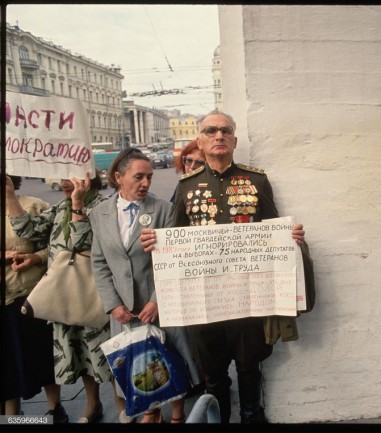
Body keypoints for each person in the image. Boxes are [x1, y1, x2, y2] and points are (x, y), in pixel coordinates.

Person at [141, 109, 309, 424]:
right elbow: (175, 236)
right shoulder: (187, 186)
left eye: (225, 130)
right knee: (213, 371)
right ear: (200, 142)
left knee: (250, 365)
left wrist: (291, 238)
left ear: (233, 139)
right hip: (205, 300)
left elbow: (272, 227)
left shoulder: (256, 179)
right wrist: (156, 244)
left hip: (249, 297)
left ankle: (251, 416)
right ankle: (218, 418)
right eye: (210, 131)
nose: (219, 136)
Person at [90, 147, 202, 424]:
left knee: (172, 358)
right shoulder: (101, 213)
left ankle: (177, 414)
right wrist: (113, 304)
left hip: (160, 303)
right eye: (138, 177)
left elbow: (173, 260)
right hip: (125, 309)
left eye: (149, 177)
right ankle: (151, 411)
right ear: (118, 177)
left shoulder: (163, 210)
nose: (145, 183)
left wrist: (156, 301)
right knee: (140, 361)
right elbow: (99, 262)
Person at [7, 172, 113, 424]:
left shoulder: (103, 206)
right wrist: (10, 195)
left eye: (71, 177)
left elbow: (79, 241)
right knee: (79, 354)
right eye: (62, 178)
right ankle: (92, 404)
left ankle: (123, 409)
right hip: (65, 294)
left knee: (104, 358)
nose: (65, 183)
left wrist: (77, 205)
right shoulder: (59, 208)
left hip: (93, 296)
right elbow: (27, 229)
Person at [1, 176, 59, 419]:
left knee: (44, 358)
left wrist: (36, 258)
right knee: (6, 365)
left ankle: (55, 410)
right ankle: (12, 418)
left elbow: (57, 245)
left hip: (29, 297)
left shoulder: (34, 206)